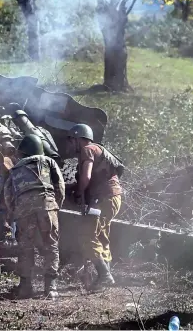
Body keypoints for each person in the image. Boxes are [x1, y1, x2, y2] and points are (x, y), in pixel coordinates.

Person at [4, 134, 65, 299]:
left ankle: (25, 287)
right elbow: (59, 184)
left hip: (23, 210)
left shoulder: (15, 168)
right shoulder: (47, 161)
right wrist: (56, 204)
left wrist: (14, 212)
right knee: (51, 245)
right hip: (47, 206)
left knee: (25, 247)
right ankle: (51, 288)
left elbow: (8, 195)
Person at [67, 123, 123, 291]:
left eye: (71, 140)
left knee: (87, 236)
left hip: (102, 199)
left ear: (78, 138)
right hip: (113, 198)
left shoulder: (88, 149)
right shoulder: (100, 149)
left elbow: (86, 176)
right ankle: (105, 279)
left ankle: (105, 276)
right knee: (102, 236)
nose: (70, 145)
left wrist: (79, 192)